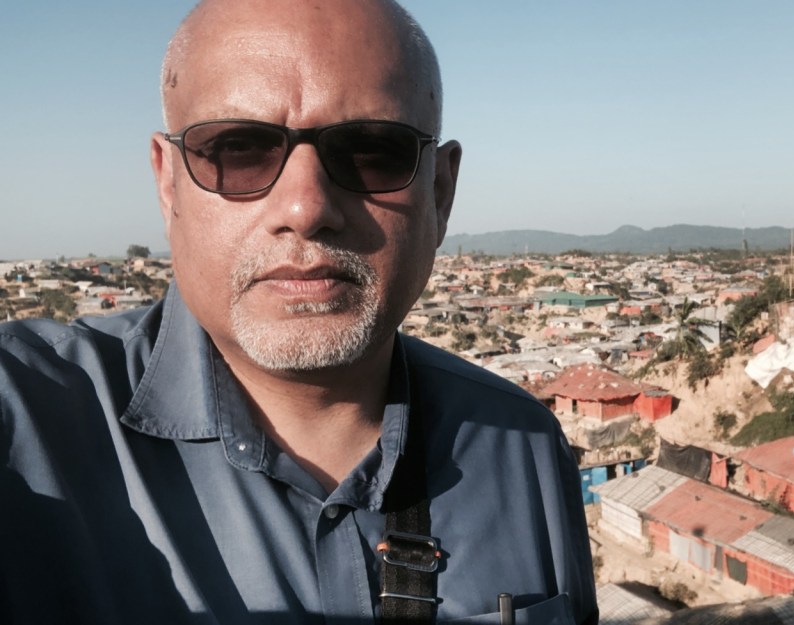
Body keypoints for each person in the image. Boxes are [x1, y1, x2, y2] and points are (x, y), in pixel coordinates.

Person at [0, 1, 598, 623]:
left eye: (371, 152)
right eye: (238, 149)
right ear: (168, 183)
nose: (306, 207)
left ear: (441, 193)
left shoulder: (522, 446)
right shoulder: (31, 418)